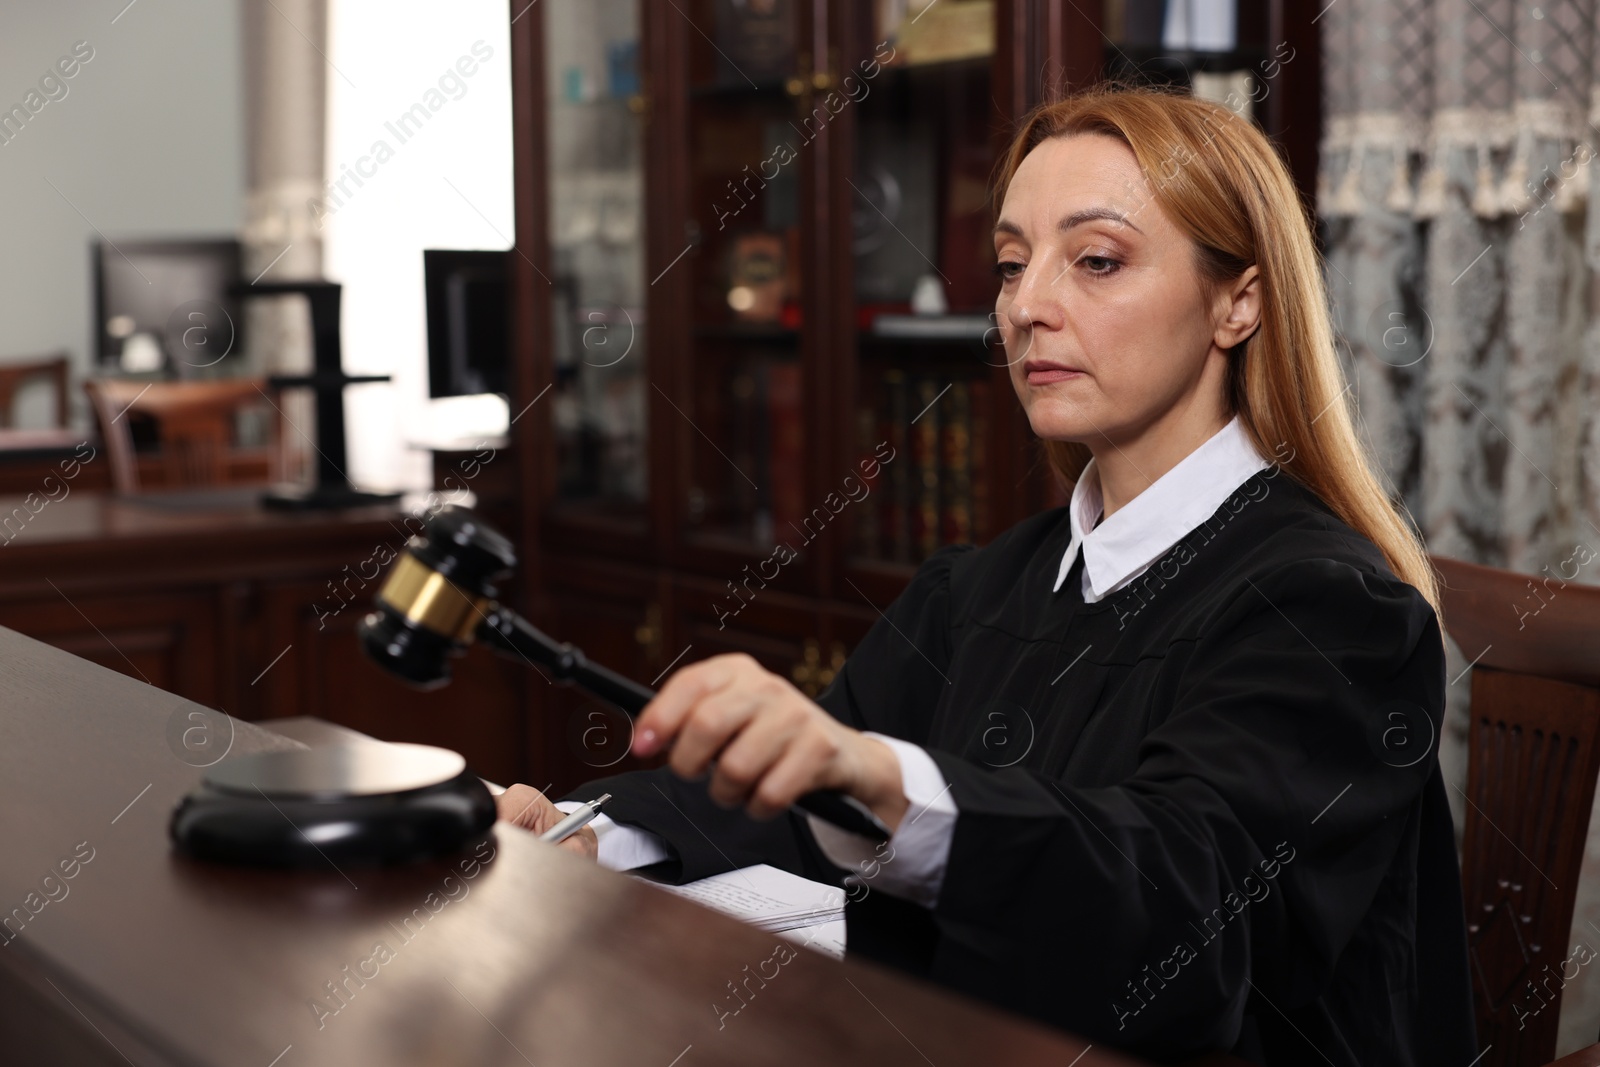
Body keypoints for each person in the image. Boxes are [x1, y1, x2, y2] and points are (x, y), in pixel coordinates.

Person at [496, 84, 1476, 1066]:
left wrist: (879, 775)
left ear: (1237, 302)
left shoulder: (1331, 611)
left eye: (1095, 261)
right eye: (1011, 264)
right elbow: (808, 807)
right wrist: (601, 833)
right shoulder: (979, 587)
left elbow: (1184, 920)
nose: (1027, 306)